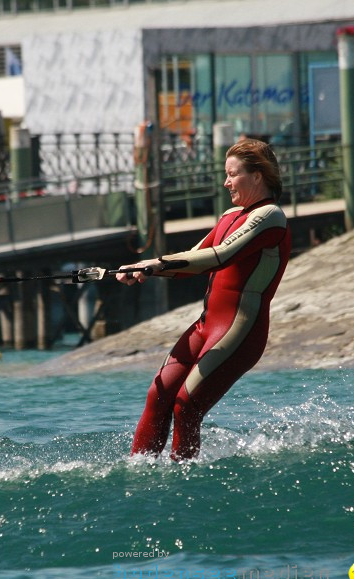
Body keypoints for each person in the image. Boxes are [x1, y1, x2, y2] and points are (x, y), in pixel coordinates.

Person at [116, 138, 292, 460]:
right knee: (159, 395)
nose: (225, 182)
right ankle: (138, 472)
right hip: (205, 326)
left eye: (232, 174)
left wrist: (156, 264)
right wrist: (144, 268)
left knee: (186, 405)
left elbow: (220, 256)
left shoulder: (270, 217)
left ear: (257, 176)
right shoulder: (230, 216)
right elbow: (192, 260)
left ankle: (184, 481)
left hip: (240, 329)